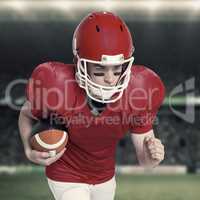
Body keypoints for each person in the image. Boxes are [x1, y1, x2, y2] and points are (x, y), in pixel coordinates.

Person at [18, 11, 165, 200]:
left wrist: (152, 157)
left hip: (105, 178)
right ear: (79, 64)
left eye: (117, 69)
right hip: (66, 174)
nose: (110, 79)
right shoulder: (56, 84)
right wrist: (28, 150)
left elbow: (145, 162)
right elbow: (26, 114)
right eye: (99, 69)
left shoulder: (141, 90)